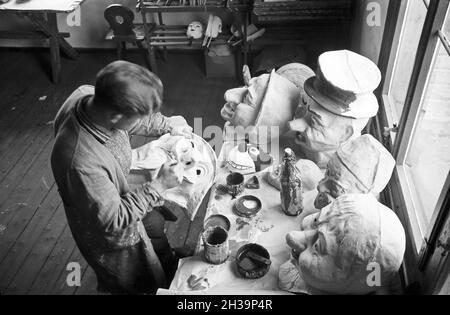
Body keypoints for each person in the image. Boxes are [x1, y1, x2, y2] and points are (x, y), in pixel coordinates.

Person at [51, 60, 192, 294]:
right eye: (137, 117)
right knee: (137, 277)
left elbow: (138, 118)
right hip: (108, 224)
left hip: (119, 189)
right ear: (115, 117)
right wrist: (158, 186)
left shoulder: (90, 96)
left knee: (155, 223)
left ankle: (170, 265)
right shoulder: (80, 163)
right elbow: (114, 219)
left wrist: (167, 125)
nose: (142, 120)